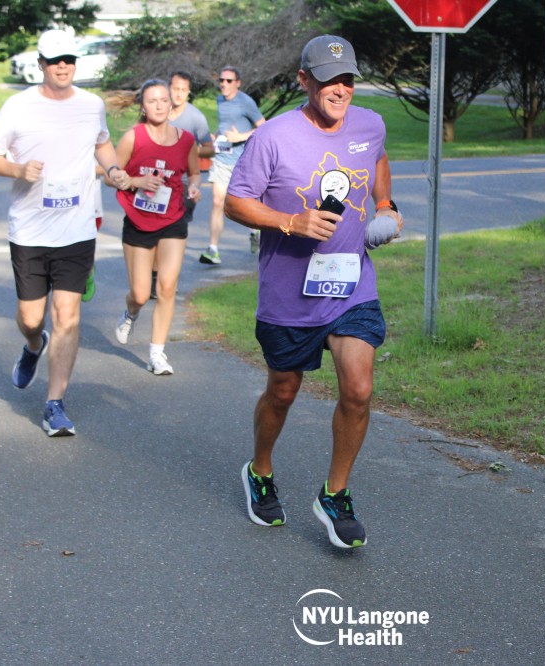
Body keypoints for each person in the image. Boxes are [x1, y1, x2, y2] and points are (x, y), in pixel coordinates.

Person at [225, 35, 403, 549]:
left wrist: (386, 206)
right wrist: (291, 221)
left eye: (347, 79)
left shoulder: (369, 124)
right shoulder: (273, 137)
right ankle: (260, 470)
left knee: (359, 389)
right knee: (283, 391)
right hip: (289, 293)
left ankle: (335, 493)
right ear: (305, 80)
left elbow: (378, 159)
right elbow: (236, 202)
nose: (339, 89)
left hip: (351, 286)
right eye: (328, 80)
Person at [0, 29, 131, 437]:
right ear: (41, 65)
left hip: (76, 229)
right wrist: (17, 169)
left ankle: (55, 404)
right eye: (55, 60)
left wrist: (113, 169)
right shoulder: (18, 106)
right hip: (30, 230)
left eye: (69, 59)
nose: (63, 66)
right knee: (32, 318)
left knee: (68, 315)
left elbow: (102, 143)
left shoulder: (91, 105)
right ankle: (34, 344)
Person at [107, 79, 201, 375]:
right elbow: (110, 175)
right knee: (140, 293)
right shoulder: (133, 138)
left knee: (167, 287)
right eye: (152, 101)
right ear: (143, 107)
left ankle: (157, 353)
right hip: (138, 220)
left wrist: (194, 187)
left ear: (171, 104)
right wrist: (137, 181)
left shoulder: (186, 140)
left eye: (163, 100)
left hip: (173, 219)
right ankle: (130, 313)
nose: (159, 105)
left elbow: (195, 172)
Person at [143, 71, 215, 300]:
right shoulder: (158, 112)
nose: (179, 94)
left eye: (184, 90)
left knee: (172, 235)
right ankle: (155, 278)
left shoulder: (195, 118)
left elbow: (210, 148)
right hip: (155, 182)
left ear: (189, 92)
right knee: (155, 233)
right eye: (175, 89)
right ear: (168, 88)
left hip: (182, 185)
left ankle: (166, 279)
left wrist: (189, 150)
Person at [202, 65, 265, 265]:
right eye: (221, 80)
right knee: (217, 201)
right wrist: (215, 136)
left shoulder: (246, 102)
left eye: (229, 80)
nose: (224, 84)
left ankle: (255, 232)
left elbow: (264, 127)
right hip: (222, 159)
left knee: (247, 203)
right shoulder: (220, 100)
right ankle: (213, 250)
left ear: (238, 83)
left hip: (242, 162)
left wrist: (240, 137)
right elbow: (224, 126)